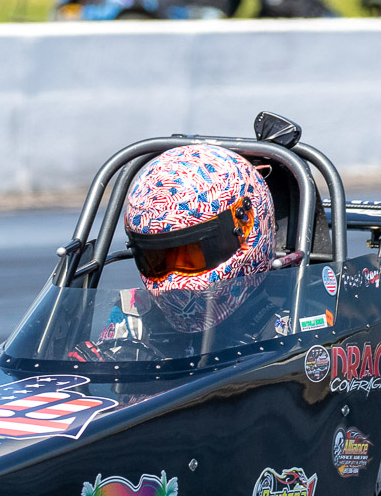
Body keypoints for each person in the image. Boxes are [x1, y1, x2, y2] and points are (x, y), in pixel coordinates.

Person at [69, 144, 277, 365]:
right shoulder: (134, 316)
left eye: (190, 255)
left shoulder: (288, 326)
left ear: (245, 225)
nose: (172, 280)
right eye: (158, 258)